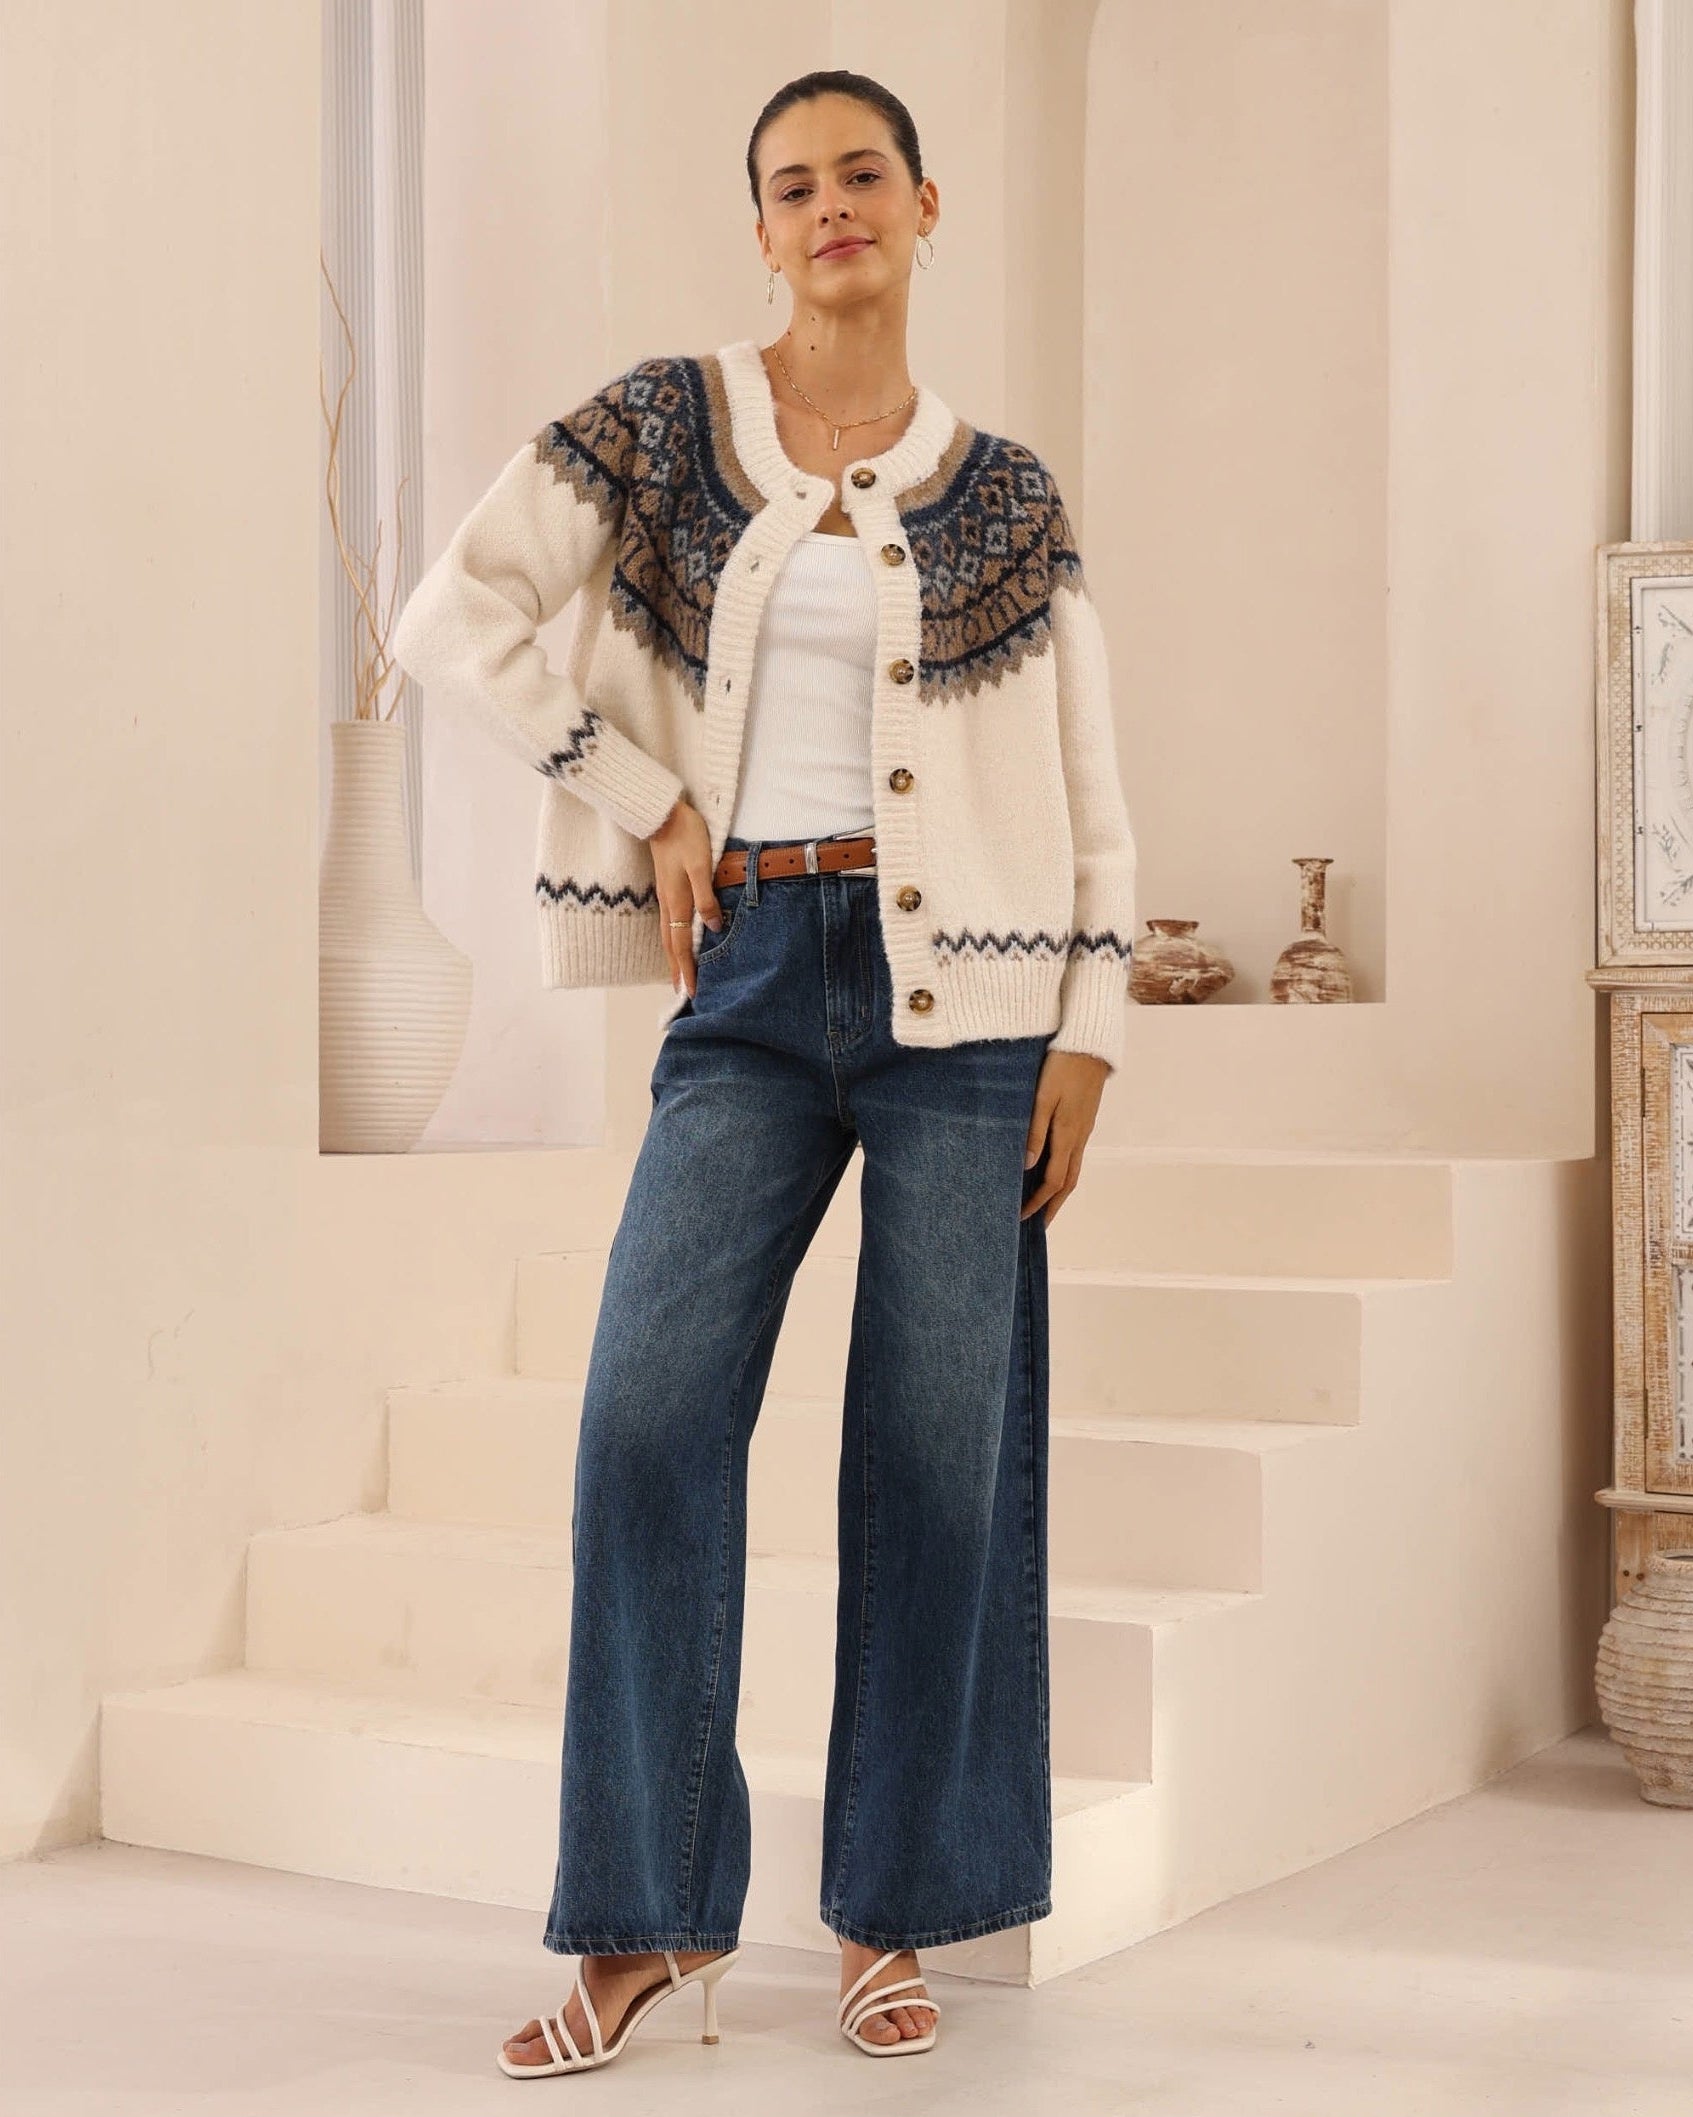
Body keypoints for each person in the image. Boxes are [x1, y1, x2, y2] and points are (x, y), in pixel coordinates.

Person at [394, 66, 1136, 2081]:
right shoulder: (654, 428)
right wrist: (636, 797)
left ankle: (889, 1915)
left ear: (922, 206)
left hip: (967, 1019)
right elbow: (445, 615)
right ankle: (646, 1920)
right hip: (741, 988)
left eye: (862, 176)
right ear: (760, 228)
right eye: (793, 185)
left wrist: (1089, 1030)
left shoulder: (1011, 492)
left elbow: (1086, 794)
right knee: (644, 1426)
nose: (831, 210)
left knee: (932, 1467)